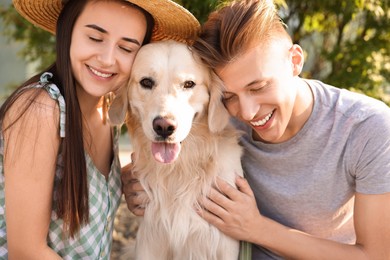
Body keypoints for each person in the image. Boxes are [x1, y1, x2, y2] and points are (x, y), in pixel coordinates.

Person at [123, 0, 390, 259]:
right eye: (229, 96)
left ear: (295, 61)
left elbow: (377, 255)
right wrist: (130, 178)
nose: (247, 113)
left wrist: (258, 229)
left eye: (258, 87)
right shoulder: (217, 116)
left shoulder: (368, 128)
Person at [0, 0, 199, 259]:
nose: (107, 59)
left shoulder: (106, 108)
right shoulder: (40, 110)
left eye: (126, 48)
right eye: (95, 38)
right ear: (67, 32)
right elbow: (26, 251)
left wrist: (123, 181)